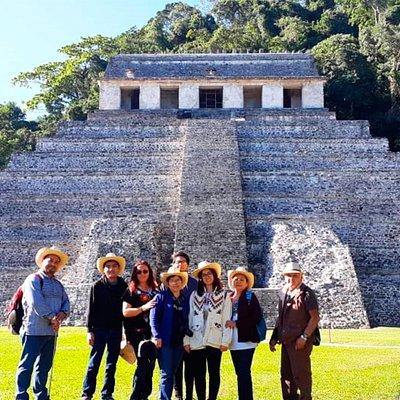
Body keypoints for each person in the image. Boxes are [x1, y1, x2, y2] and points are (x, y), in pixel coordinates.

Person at [15, 246, 70, 400]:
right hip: (33, 330)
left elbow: (66, 302)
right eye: (50, 260)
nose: (53, 263)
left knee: (44, 367)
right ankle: (21, 395)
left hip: (51, 332)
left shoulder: (58, 285)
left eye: (56, 262)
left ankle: (41, 395)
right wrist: (52, 317)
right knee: (27, 365)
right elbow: (35, 302)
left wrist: (63, 313)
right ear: (42, 261)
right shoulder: (33, 279)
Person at [269, 262, 320, 400]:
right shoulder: (283, 292)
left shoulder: (307, 293)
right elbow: (281, 317)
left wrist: (304, 337)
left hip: (300, 341)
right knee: (286, 375)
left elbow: (315, 318)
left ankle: (305, 398)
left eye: (295, 275)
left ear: (301, 276)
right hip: (286, 340)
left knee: (301, 373)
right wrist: (274, 337)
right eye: (288, 275)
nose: (291, 278)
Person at [81, 253, 128, 400]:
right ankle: (87, 393)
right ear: (103, 269)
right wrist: (89, 331)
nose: (111, 269)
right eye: (108, 266)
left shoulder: (124, 286)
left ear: (118, 269)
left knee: (111, 364)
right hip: (99, 329)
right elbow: (91, 309)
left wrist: (125, 332)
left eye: (114, 266)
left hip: (115, 330)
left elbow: (125, 310)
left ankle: (107, 393)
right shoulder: (97, 286)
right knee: (93, 363)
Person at [183, 261, 232, 400]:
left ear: (214, 275)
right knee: (199, 374)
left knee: (214, 372)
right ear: (200, 278)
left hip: (215, 338)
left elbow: (226, 318)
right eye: (203, 275)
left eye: (209, 273)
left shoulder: (224, 295)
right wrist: (186, 340)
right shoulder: (195, 295)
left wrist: (225, 341)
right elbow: (189, 318)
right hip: (197, 338)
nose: (206, 276)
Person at [150, 266, 190, 400]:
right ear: (168, 283)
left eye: (178, 280)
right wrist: (156, 336)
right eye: (172, 280)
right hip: (165, 340)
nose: (175, 283)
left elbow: (186, 319)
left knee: (172, 372)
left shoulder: (184, 299)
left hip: (178, 341)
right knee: (166, 373)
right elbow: (153, 318)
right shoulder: (161, 297)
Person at [122, 260, 158, 400]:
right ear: (134, 274)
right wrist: (143, 308)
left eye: (145, 271)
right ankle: (136, 396)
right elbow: (125, 312)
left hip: (153, 333)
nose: (142, 274)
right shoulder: (131, 290)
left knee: (151, 365)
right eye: (139, 271)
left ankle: (145, 395)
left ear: (149, 272)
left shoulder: (156, 290)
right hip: (137, 332)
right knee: (143, 364)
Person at [225, 267, 262, 400]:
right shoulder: (228, 297)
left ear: (247, 283)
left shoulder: (250, 296)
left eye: (242, 279)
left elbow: (256, 316)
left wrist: (237, 323)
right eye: (236, 279)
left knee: (244, 372)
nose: (239, 281)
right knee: (239, 372)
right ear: (231, 281)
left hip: (247, 341)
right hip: (233, 341)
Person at [170, 251, 197, 400]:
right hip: (174, 329)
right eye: (177, 262)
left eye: (183, 261)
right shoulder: (168, 282)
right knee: (176, 365)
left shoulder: (194, 283)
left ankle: (188, 394)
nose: (180, 264)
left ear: (187, 264)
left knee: (190, 365)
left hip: (191, 328)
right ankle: (178, 393)